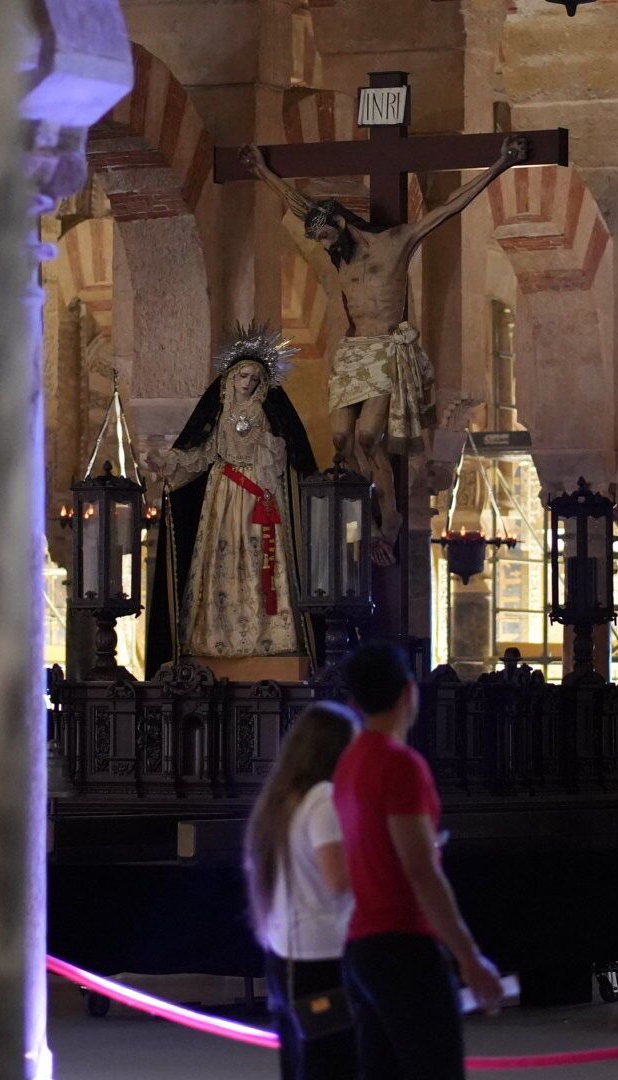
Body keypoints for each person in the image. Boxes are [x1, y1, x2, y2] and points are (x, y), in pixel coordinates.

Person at [240, 137, 529, 566]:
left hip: (384, 349)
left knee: (367, 437)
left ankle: (387, 519)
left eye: (324, 234)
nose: (323, 244)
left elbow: (448, 209)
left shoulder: (395, 243)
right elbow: (298, 202)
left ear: (339, 221)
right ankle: (364, 506)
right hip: (354, 351)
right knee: (339, 441)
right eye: (316, 238)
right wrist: (262, 171)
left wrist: (500, 164)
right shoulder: (340, 255)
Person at [332, 642, 504, 1080]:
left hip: (361, 946)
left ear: (353, 701)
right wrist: (469, 956)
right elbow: (420, 871)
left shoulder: (349, 763)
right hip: (403, 947)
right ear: (410, 692)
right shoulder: (400, 766)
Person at [144, 325, 317, 675]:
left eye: (255, 377)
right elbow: (203, 453)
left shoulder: (267, 417)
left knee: (259, 559)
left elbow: (284, 454)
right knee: (219, 561)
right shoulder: (219, 416)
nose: (248, 382)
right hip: (223, 495)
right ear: (230, 378)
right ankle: (215, 638)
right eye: (242, 375)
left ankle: (269, 637)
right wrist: (171, 461)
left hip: (258, 493)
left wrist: (271, 461)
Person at [243, 702, 360, 1080]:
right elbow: (338, 879)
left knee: (300, 1065)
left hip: (285, 955)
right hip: (321, 956)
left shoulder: (282, 800)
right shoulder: (324, 799)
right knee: (332, 1067)